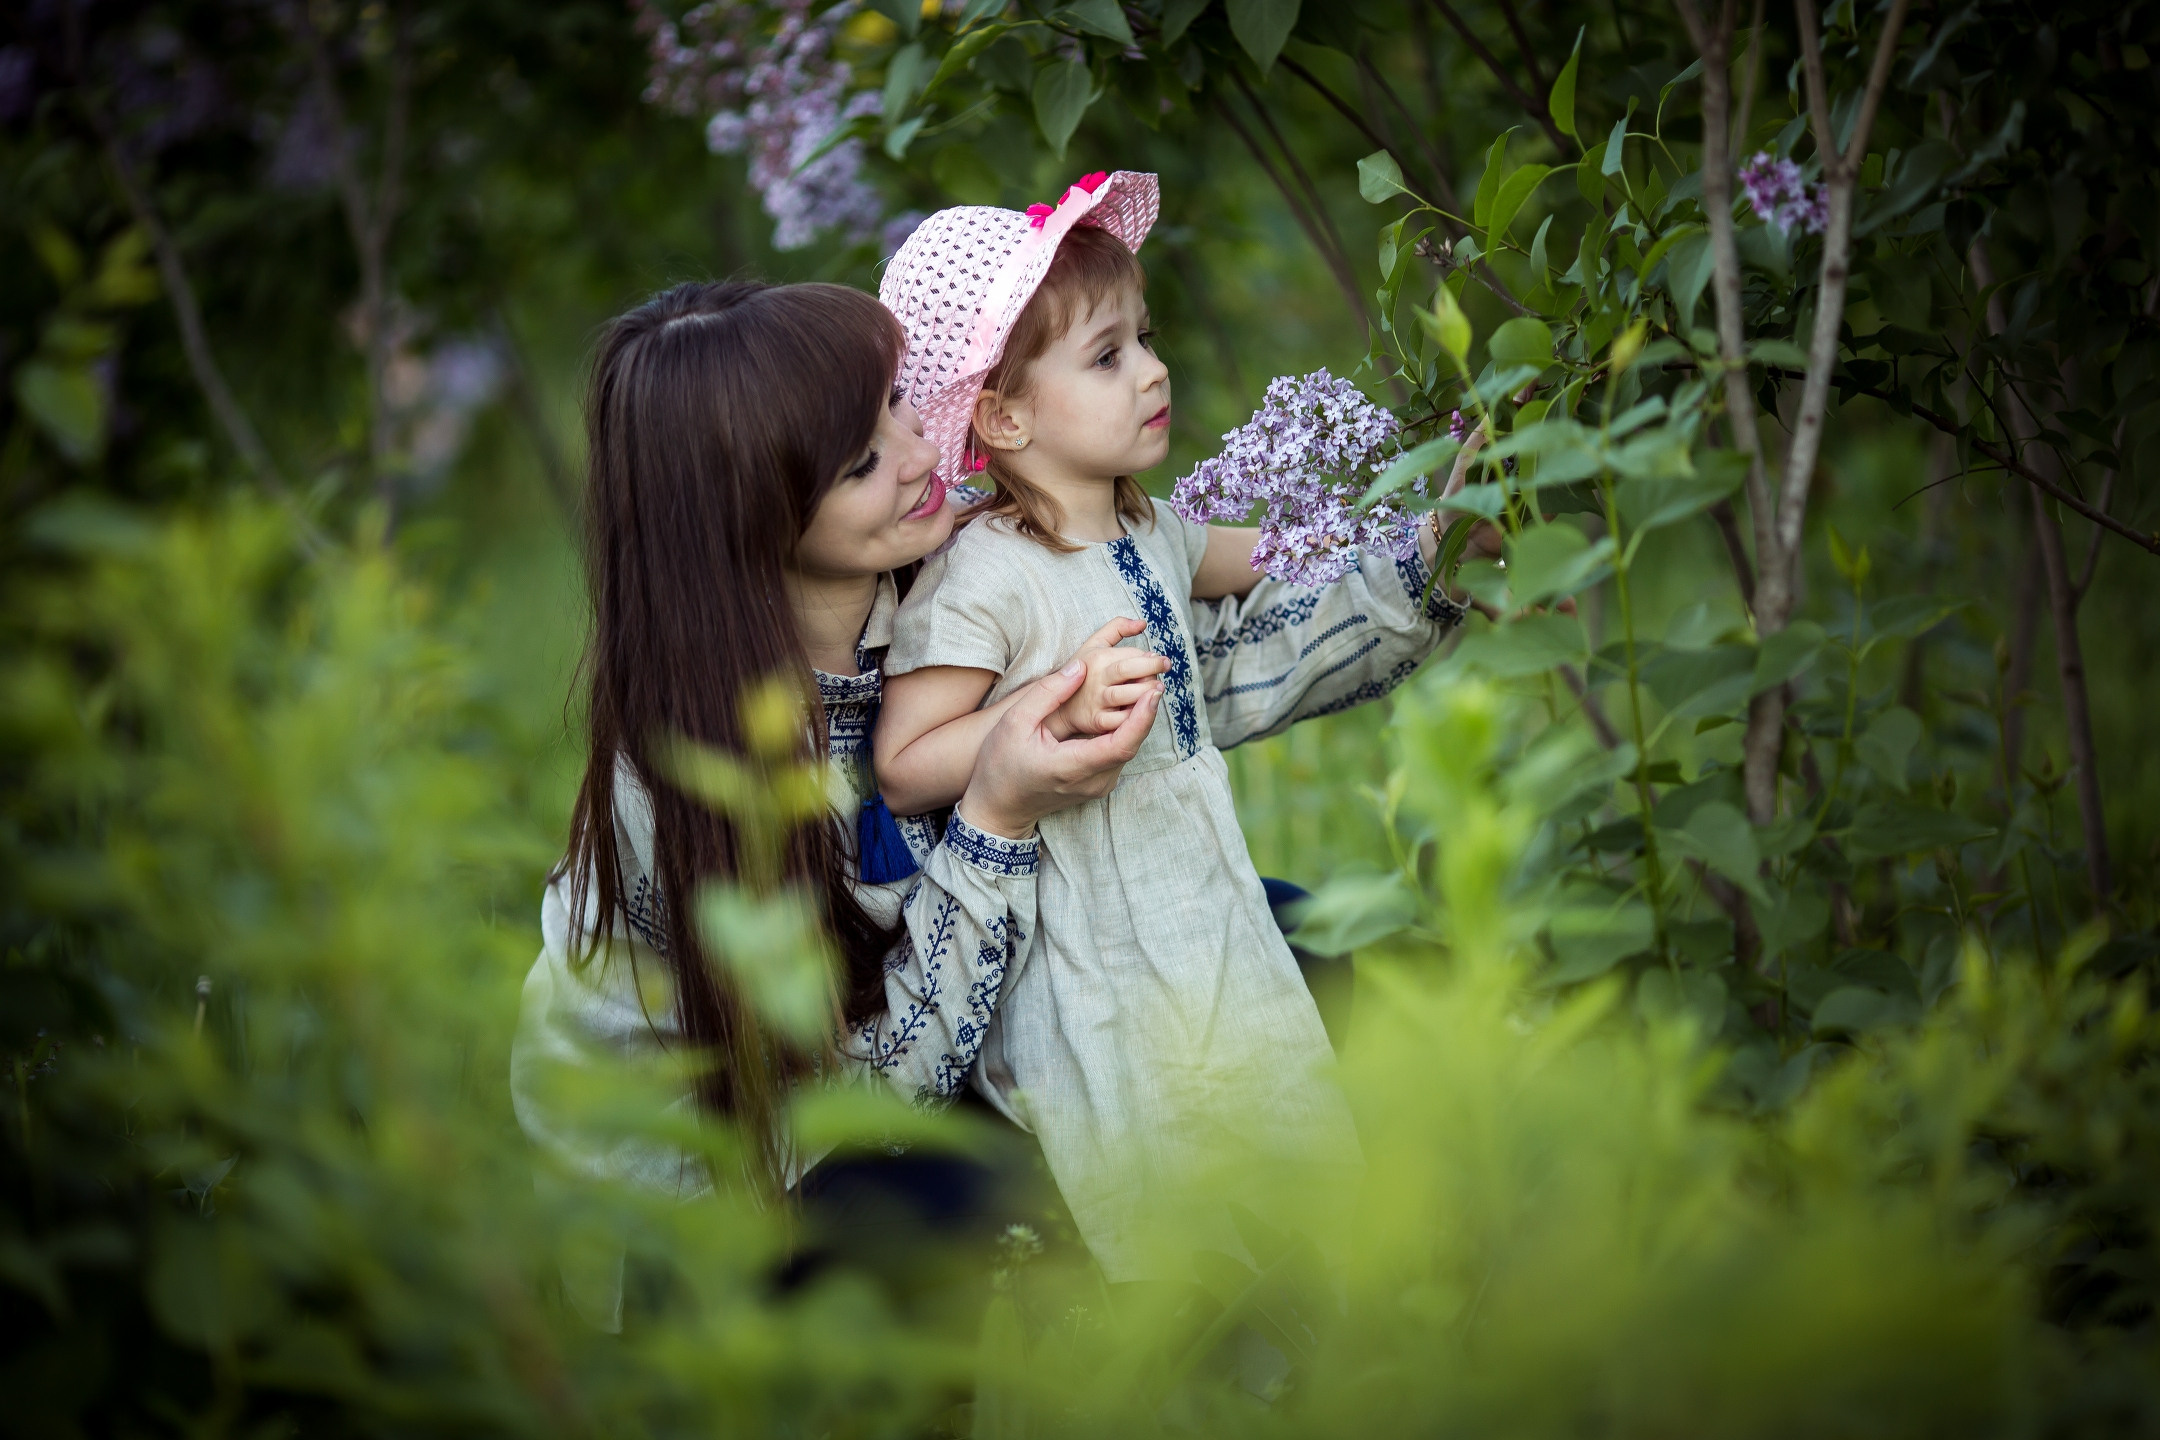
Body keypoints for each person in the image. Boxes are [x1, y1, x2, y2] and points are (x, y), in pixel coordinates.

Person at [509, 279, 1159, 1329]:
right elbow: (866, 1104)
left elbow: (1189, 635)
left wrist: (1438, 562)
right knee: (1020, 1212)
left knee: (1292, 943)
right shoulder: (691, 772)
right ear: (752, 514)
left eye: (901, 401)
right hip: (745, 1180)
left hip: (950, 1047)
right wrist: (995, 812)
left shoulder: (943, 586)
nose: (918, 456)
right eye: (861, 462)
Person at [870, 171, 1467, 1281]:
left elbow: (1293, 561)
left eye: (1145, 338)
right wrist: (1033, 719)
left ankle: (1327, 1331)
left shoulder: (1153, 526)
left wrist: (1445, 533)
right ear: (1001, 416)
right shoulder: (984, 577)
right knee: (1158, 1191)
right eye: (1107, 357)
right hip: (1087, 956)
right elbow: (907, 765)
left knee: (1284, 1138)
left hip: (1207, 910)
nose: (1153, 369)